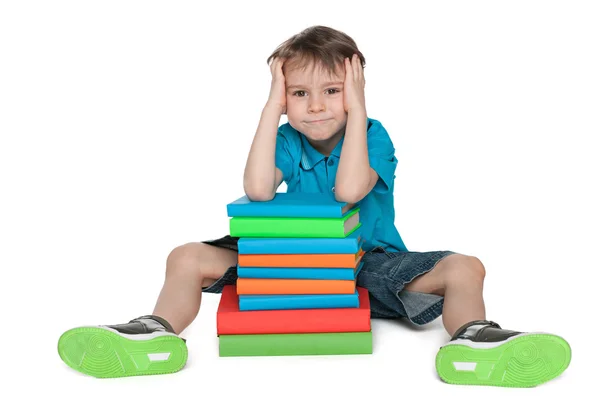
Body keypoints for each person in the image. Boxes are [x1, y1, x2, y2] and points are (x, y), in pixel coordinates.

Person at [57, 25, 571, 387]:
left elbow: (350, 191)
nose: (317, 105)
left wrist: (359, 105)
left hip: (364, 264)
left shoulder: (373, 136)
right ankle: (156, 333)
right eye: (300, 93)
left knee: (466, 267)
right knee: (184, 255)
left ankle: (472, 340)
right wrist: (270, 107)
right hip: (283, 262)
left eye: (332, 90)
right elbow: (258, 191)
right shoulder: (284, 138)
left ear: (354, 92)